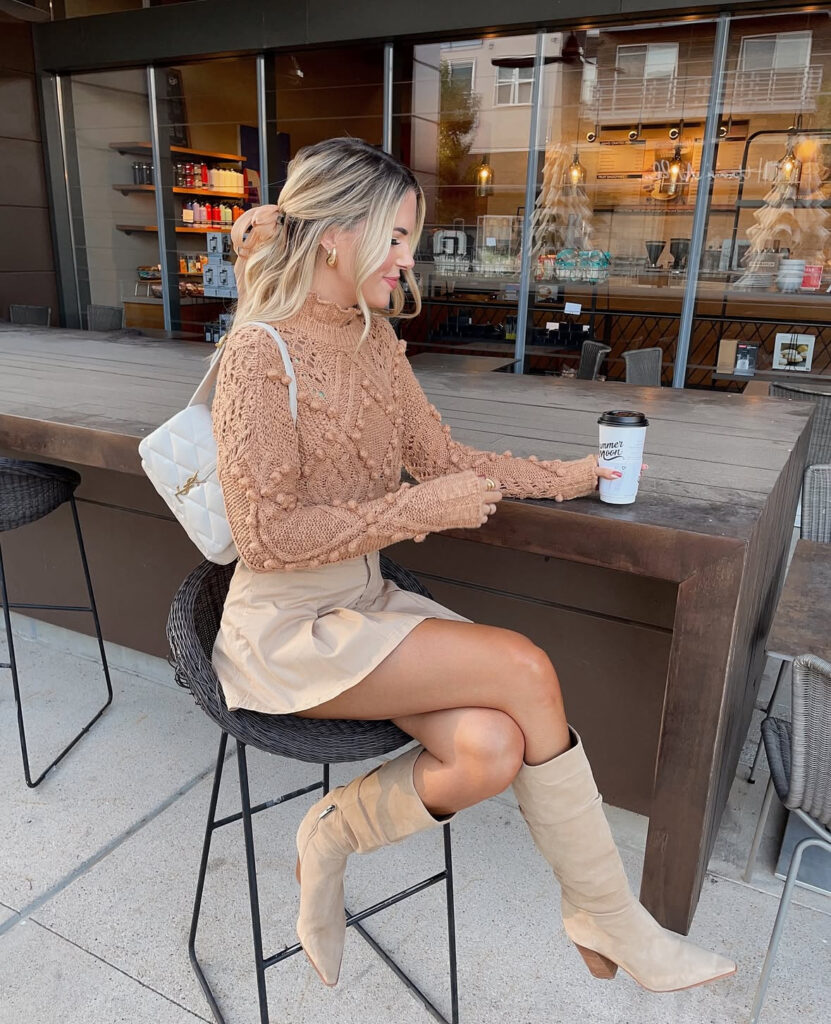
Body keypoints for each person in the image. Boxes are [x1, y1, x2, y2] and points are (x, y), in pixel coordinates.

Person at [211, 137, 736, 994]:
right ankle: (608, 914)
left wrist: (573, 476)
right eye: (394, 237)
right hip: (283, 628)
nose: (407, 259)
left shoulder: (375, 341)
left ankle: (328, 835)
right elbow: (267, 535)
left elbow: (440, 454)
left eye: (410, 238)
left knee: (489, 750)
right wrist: (415, 511)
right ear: (335, 237)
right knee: (524, 666)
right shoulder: (257, 357)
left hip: (364, 602)